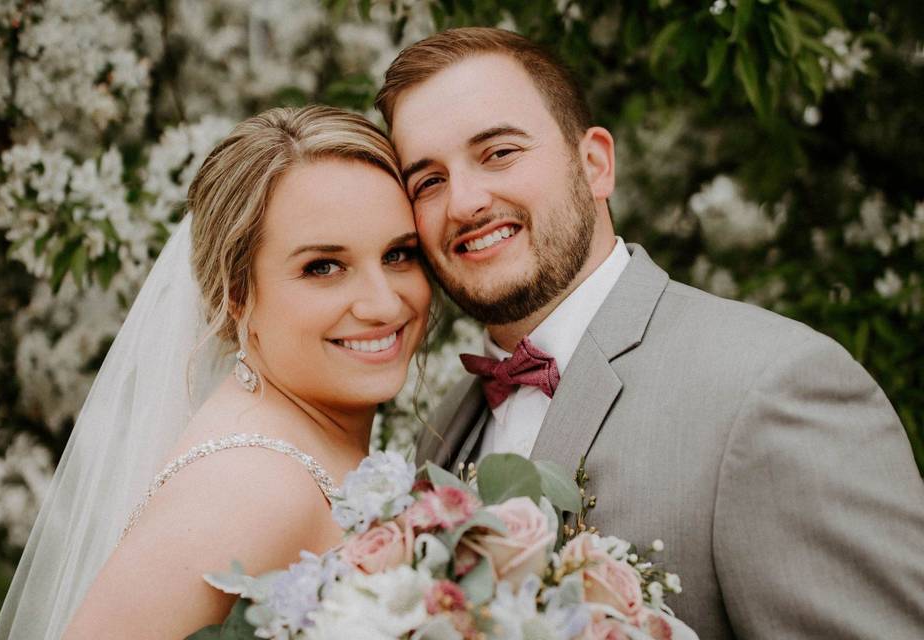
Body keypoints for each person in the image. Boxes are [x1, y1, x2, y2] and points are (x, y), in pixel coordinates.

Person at [376, 27, 924, 639]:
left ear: (594, 165)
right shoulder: (445, 429)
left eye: (499, 153)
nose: (464, 202)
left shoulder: (773, 388)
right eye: (428, 181)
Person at [0, 105, 431, 639]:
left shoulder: (308, 436)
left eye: (399, 254)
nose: (384, 304)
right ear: (236, 295)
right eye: (323, 267)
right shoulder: (248, 486)